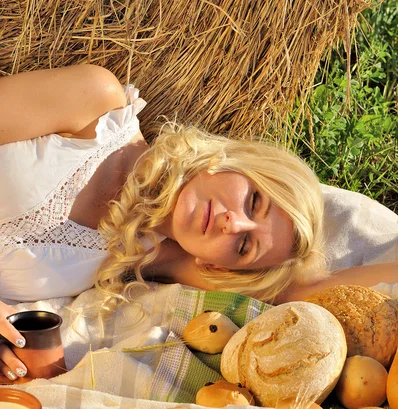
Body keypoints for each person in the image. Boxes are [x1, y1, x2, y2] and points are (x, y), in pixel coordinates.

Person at [0, 64, 396, 382]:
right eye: (253, 201)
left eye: (245, 246)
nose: (232, 222)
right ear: (230, 162)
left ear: (216, 266)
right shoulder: (96, 104)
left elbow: (306, 293)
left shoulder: (154, 257)